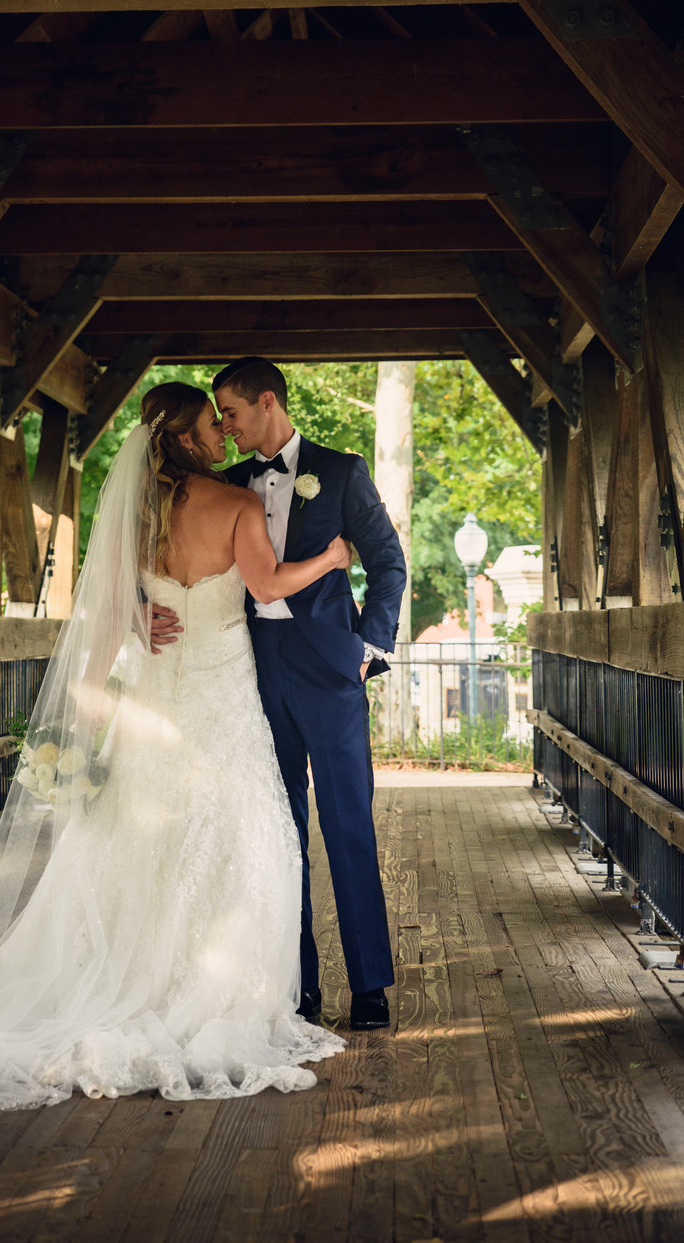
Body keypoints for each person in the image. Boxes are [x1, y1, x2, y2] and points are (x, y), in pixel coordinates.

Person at [0, 382, 348, 1133]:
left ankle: (131, 982)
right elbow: (265, 585)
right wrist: (331, 556)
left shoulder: (135, 514)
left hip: (153, 706)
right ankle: (211, 997)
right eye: (211, 426)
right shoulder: (238, 507)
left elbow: (102, 623)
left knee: (133, 848)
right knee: (247, 842)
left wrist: (76, 734)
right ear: (186, 439)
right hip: (224, 703)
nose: (224, 435)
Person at [211, 358, 406, 1031]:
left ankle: (371, 985)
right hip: (254, 667)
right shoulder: (229, 484)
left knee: (347, 822)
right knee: (279, 828)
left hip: (331, 668)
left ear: (268, 402)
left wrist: (369, 651)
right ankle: (299, 986)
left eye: (231, 412)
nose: (224, 427)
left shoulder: (342, 470)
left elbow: (388, 562)